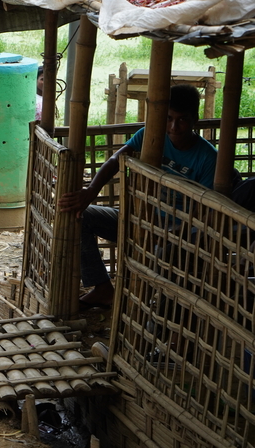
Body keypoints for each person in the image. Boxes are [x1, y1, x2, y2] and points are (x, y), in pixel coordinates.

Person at [59, 85, 217, 309]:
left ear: (195, 120)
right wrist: (90, 191)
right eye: (169, 118)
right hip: (138, 220)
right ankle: (103, 289)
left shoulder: (208, 157)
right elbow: (116, 160)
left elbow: (204, 212)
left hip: (177, 232)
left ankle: (153, 308)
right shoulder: (150, 136)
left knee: (168, 253)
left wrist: (171, 235)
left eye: (182, 119)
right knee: (82, 216)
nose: (174, 126)